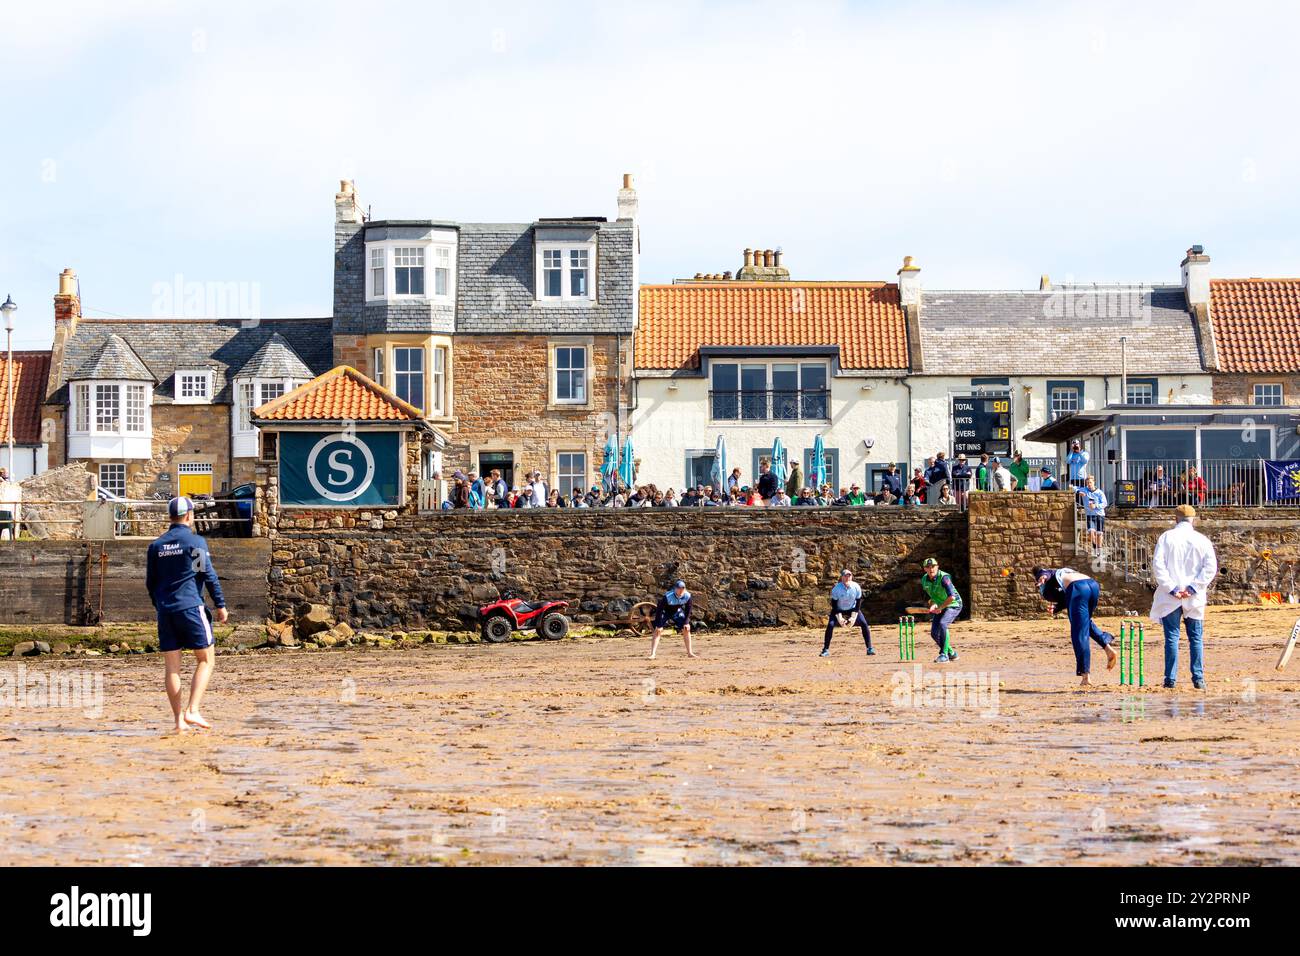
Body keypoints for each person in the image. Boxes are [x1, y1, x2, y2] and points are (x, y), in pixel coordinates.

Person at [146, 496, 227, 733]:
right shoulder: (195, 542)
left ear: (170, 517)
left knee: (172, 668)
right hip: (191, 607)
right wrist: (220, 605)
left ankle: (178, 721)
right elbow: (208, 575)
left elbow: (151, 583)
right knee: (206, 659)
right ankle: (193, 709)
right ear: (190, 516)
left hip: (166, 611)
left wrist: (159, 605)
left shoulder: (156, 546)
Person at [1150, 504, 1218, 689]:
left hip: (1171, 595)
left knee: (1172, 637)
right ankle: (1198, 678)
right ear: (1193, 520)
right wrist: (1193, 588)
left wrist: (1172, 588)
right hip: (1193, 596)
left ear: (1176, 519)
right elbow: (1210, 567)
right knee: (1195, 637)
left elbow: (1158, 565)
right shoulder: (1201, 539)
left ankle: (1170, 679)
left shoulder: (1167, 537)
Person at [1032, 565, 1117, 686]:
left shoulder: (1045, 575)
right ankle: (1108, 649)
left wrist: (1041, 577)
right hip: (1092, 585)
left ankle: (1085, 677)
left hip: (1078, 589)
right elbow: (1066, 599)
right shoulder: (1063, 572)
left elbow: (1044, 572)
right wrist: (1056, 608)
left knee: (1079, 633)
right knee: (1084, 623)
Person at [819, 569, 874, 657]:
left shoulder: (856, 587)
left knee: (864, 623)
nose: (847, 578)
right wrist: (840, 618)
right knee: (830, 625)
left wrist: (853, 617)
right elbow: (834, 605)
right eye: (845, 576)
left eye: (849, 576)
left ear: (851, 577)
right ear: (842, 577)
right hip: (838, 609)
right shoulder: (836, 589)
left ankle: (869, 648)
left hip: (852, 609)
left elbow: (858, 603)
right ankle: (825, 650)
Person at [919, 557, 961, 662]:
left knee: (943, 624)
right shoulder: (924, 580)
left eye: (933, 566)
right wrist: (933, 604)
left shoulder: (944, 578)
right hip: (940, 605)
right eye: (928, 567)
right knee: (934, 633)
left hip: (954, 604)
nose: (931, 569)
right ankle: (951, 653)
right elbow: (932, 597)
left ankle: (944, 655)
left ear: (937, 567)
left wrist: (940, 607)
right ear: (925, 569)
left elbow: (952, 597)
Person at [649, 580, 696, 659]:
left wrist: (686, 622)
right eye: (679, 588)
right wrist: (659, 625)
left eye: (682, 588)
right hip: (665, 611)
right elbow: (659, 610)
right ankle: (652, 654)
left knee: (686, 629)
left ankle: (690, 653)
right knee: (657, 630)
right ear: (675, 589)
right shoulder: (668, 596)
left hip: (676, 611)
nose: (680, 590)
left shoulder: (687, 596)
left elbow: (688, 610)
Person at [1079, 475, 1107, 553]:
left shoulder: (1100, 492)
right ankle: (1094, 546)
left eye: (1090, 482)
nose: (1089, 484)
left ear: (1094, 482)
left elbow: (1105, 503)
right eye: (1087, 483)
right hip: (1090, 515)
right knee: (1091, 532)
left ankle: (1099, 550)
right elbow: (1074, 488)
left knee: (1099, 534)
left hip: (1099, 515)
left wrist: (1096, 506)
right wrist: (1079, 492)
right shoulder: (1084, 490)